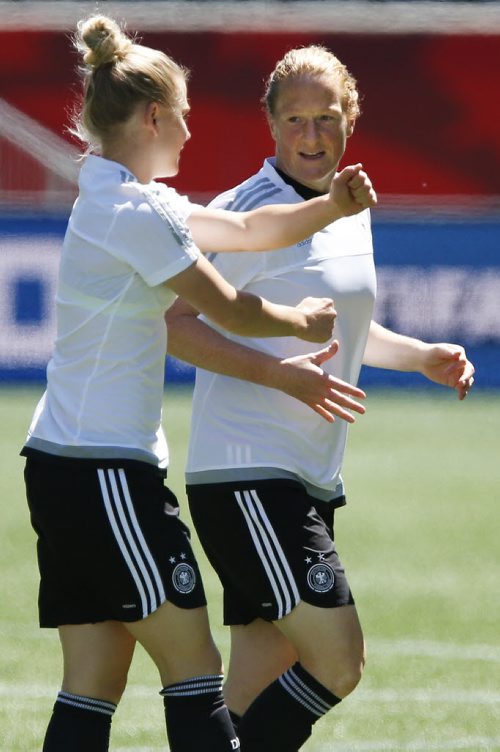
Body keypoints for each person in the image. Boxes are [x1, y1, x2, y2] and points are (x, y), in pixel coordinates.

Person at [20, 19, 378, 752]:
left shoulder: (122, 197)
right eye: (182, 114)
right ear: (153, 116)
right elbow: (227, 305)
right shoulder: (135, 212)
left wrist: (330, 208)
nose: (189, 130)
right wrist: (298, 324)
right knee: (195, 670)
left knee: (94, 679)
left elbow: (248, 232)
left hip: (69, 464)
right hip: (103, 471)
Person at [165, 45, 476, 751]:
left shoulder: (349, 205)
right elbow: (174, 329)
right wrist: (280, 377)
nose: (312, 135)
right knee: (338, 660)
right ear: (271, 126)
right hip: (247, 475)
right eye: (296, 119)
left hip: (306, 479)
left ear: (351, 120)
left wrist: (421, 357)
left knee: (246, 699)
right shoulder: (242, 212)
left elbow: (348, 333)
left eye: (327, 118)